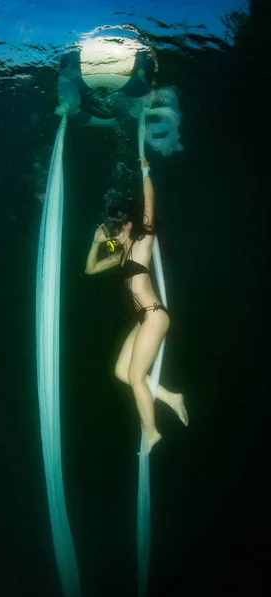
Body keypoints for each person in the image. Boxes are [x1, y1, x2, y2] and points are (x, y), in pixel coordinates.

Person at [85, 156, 188, 453]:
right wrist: (96, 242)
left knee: (135, 376)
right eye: (111, 231)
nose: (113, 234)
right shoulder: (120, 251)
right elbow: (90, 269)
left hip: (154, 316)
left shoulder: (142, 241)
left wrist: (145, 171)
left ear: (128, 225)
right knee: (122, 373)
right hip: (145, 319)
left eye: (116, 229)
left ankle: (152, 432)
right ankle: (171, 398)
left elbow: (149, 201)